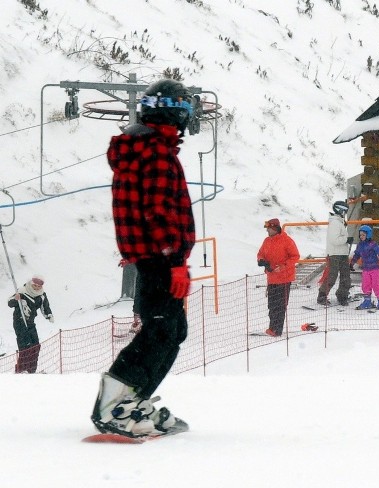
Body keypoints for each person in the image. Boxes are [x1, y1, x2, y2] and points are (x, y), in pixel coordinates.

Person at [92, 78, 196, 438]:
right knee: (161, 330)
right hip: (160, 258)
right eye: (185, 108)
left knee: (170, 330)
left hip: (152, 257)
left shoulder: (143, 148)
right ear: (174, 111)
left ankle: (133, 400)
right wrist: (176, 259)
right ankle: (114, 406)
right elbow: (159, 211)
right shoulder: (155, 152)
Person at [257, 218, 301, 336]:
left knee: (280, 305)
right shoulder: (267, 241)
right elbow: (260, 253)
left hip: (284, 279)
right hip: (272, 278)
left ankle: (277, 329)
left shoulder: (287, 241)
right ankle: (272, 327)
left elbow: (295, 256)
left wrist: (282, 266)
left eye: (269, 229)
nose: (267, 231)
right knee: (272, 305)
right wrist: (261, 261)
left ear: (275, 228)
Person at [7, 275, 53, 374]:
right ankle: (22, 369)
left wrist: (48, 315)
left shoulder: (41, 295)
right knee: (25, 345)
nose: (36, 287)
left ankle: (31, 370)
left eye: (38, 286)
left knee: (35, 345)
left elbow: (45, 307)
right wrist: (16, 299)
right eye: (35, 285)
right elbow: (9, 303)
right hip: (19, 322)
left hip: (30, 322)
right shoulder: (22, 291)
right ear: (31, 283)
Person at [316, 201, 353, 306]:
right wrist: (346, 239)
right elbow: (335, 240)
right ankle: (322, 296)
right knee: (332, 275)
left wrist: (346, 240)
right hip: (334, 254)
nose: (345, 213)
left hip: (342, 253)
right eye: (345, 211)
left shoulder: (339, 222)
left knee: (345, 276)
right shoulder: (335, 223)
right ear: (341, 210)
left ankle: (342, 295)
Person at [350, 225, 379, 310]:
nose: (361, 236)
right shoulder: (360, 245)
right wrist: (352, 263)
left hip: (374, 268)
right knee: (365, 285)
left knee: (376, 284)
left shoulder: (372, 244)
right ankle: (367, 301)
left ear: (368, 235)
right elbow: (357, 255)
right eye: (360, 235)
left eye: (363, 235)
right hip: (366, 269)